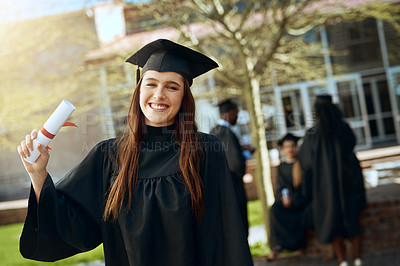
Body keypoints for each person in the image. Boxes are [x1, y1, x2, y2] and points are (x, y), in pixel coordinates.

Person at [17, 39, 254, 266]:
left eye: (172, 87)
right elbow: (74, 225)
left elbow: (227, 234)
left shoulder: (204, 151)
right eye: (151, 84)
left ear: (183, 97)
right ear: (139, 91)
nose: (159, 94)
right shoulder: (109, 156)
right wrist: (38, 174)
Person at [297, 95, 366, 266]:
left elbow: (305, 162)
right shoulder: (343, 128)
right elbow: (351, 147)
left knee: (333, 222)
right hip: (348, 183)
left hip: (325, 187)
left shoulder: (312, 133)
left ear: (317, 113)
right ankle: (357, 259)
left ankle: (342, 260)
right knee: (352, 220)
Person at [267, 133, 312, 261]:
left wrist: (294, 201)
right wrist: (283, 197)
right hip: (287, 202)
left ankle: (298, 246)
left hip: (300, 202)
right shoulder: (281, 167)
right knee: (274, 210)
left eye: (292, 146)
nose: (290, 149)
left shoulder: (302, 165)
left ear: (296, 148)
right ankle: (276, 247)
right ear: (283, 149)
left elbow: (306, 189)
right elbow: (281, 187)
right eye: (287, 147)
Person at [210, 99, 250, 235]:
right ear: (230, 112)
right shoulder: (226, 133)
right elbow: (235, 164)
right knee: (239, 225)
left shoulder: (214, 131)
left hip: (220, 187)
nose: (237, 116)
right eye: (236, 113)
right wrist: (245, 154)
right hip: (233, 186)